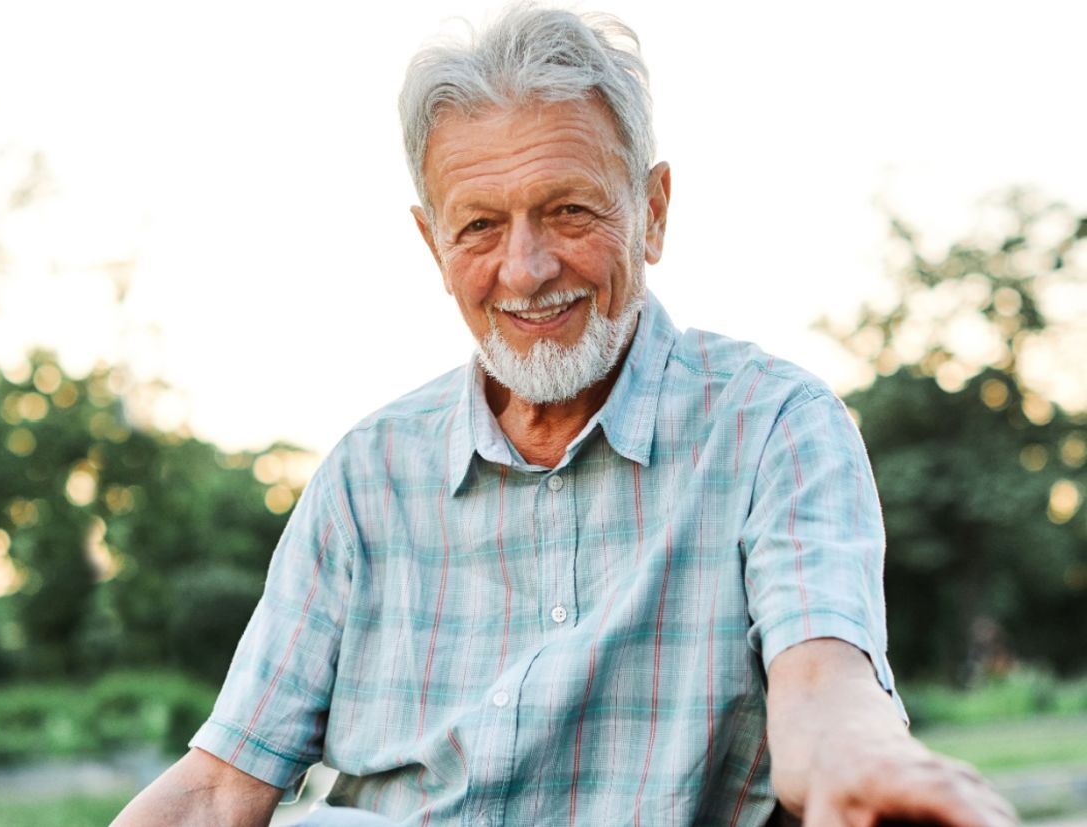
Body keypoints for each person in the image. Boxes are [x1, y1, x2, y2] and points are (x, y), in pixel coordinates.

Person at [113, 7, 1016, 826]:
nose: (527, 268)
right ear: (433, 243)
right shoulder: (366, 472)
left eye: (570, 210)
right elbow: (221, 786)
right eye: (479, 226)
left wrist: (873, 763)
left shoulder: (776, 424)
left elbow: (825, 695)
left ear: (652, 213)